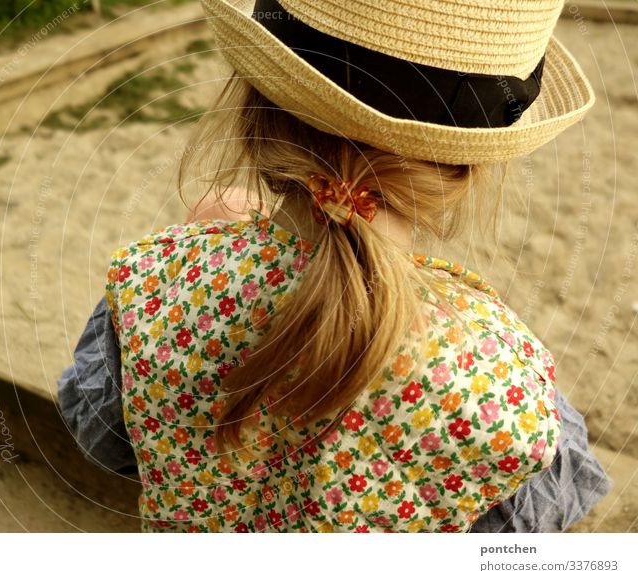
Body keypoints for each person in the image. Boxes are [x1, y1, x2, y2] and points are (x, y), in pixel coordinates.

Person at [58, 0, 612, 532]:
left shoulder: (155, 282)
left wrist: (204, 254)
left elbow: (98, 432)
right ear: (470, 166)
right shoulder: (499, 376)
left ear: (257, 109)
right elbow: (535, 512)